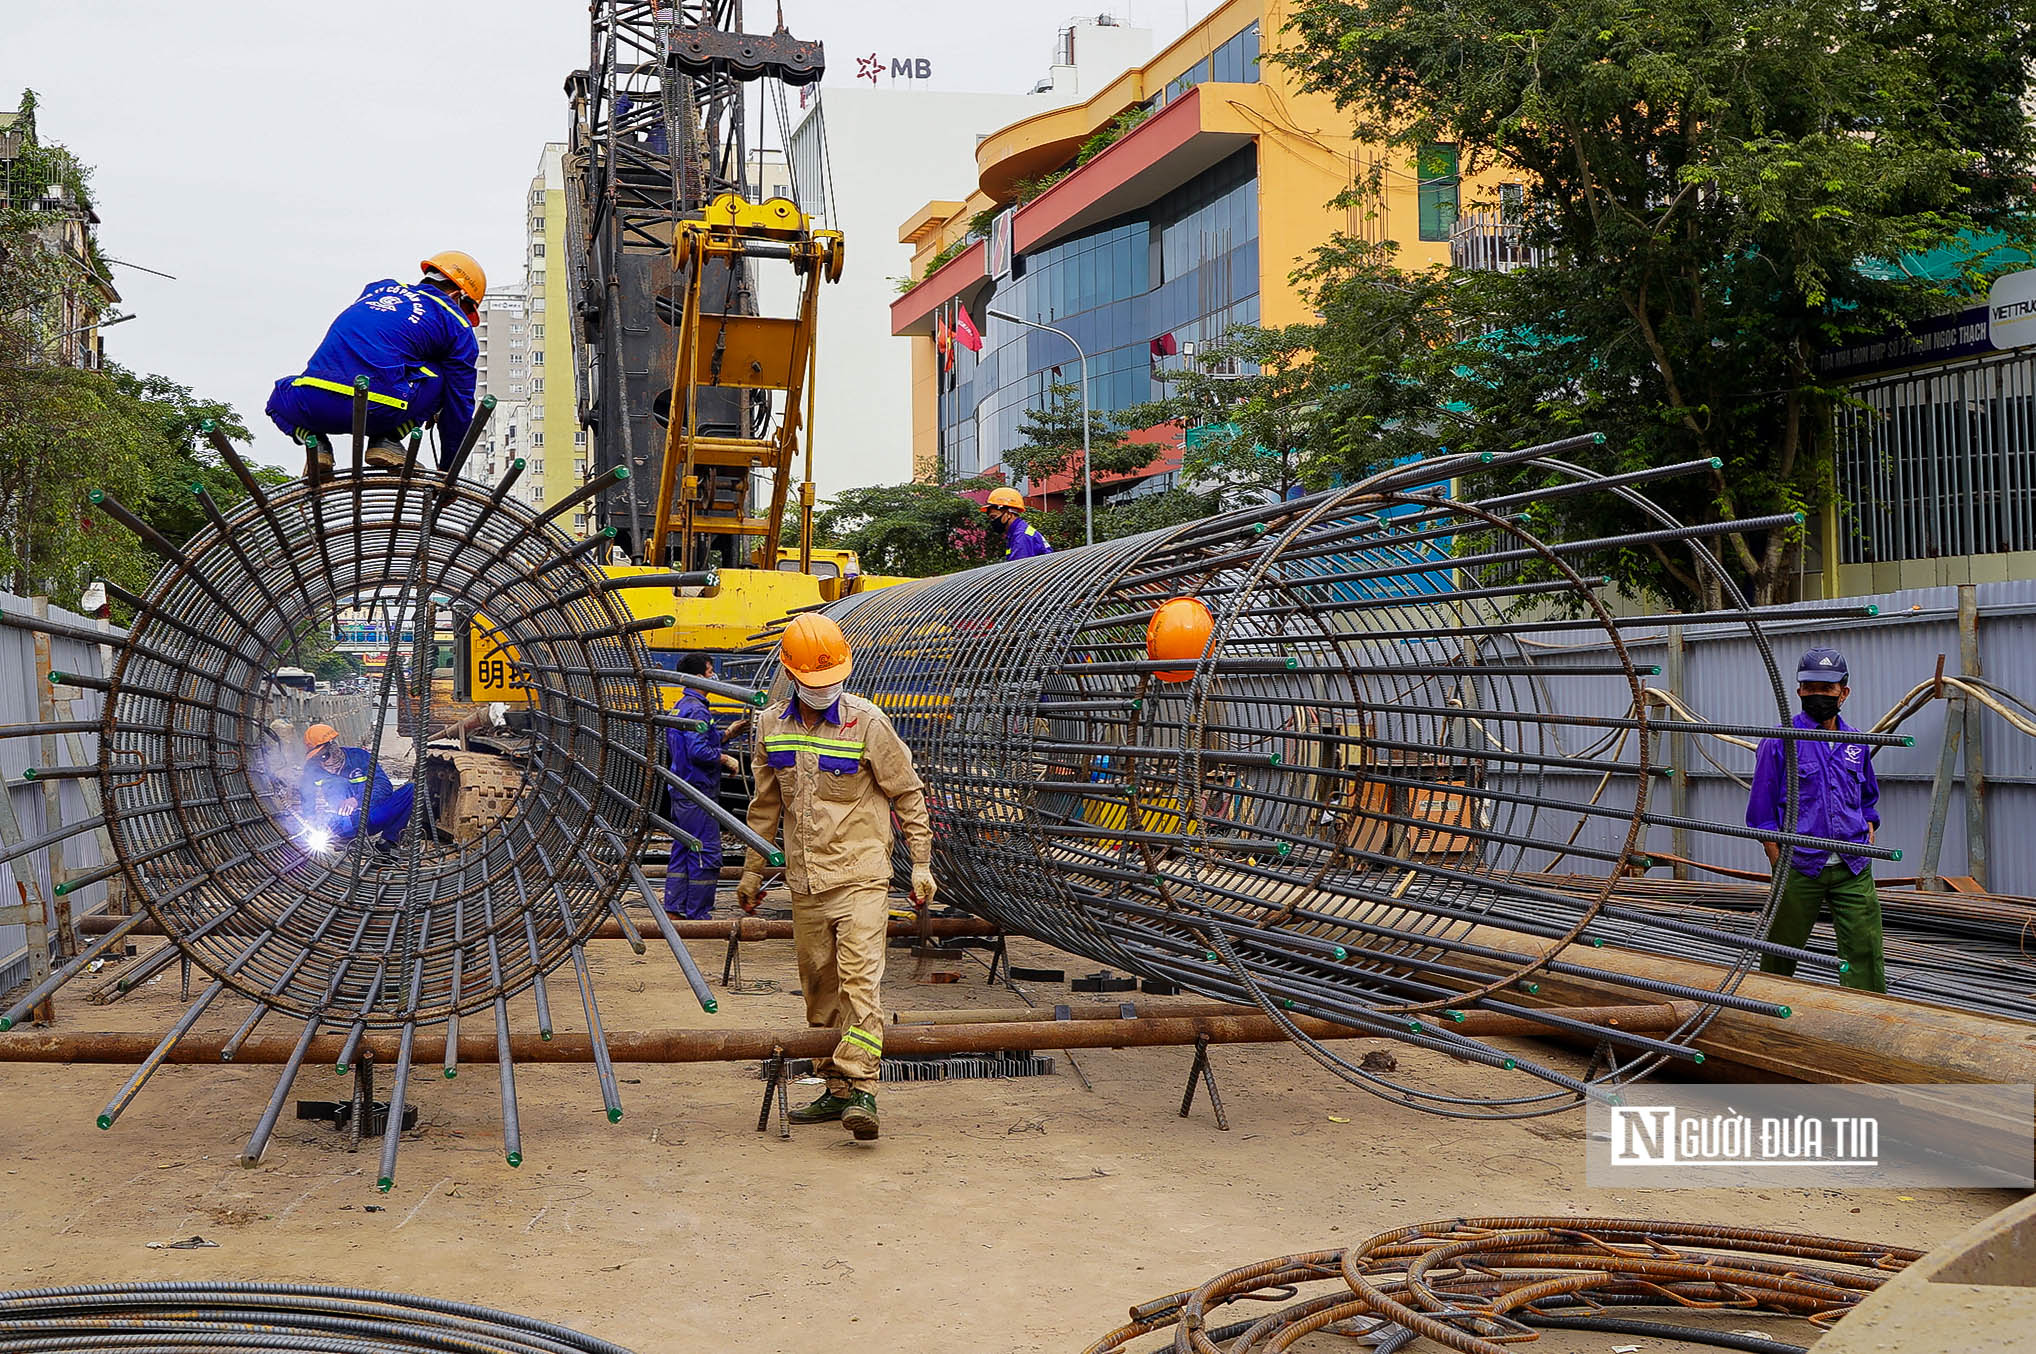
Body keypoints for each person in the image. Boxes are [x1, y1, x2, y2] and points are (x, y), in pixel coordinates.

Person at [737, 613, 936, 1141]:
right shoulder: (770, 726)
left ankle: (863, 1086)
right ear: (790, 673)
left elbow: (907, 793)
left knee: (860, 983)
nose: (826, 690)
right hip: (806, 883)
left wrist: (920, 861)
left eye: (834, 681)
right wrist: (754, 872)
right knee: (821, 994)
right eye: (815, 682)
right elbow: (765, 806)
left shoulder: (868, 723)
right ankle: (836, 1090)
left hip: (862, 876)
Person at [265, 252, 486, 474]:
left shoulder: (378, 289)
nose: (465, 318)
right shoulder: (457, 323)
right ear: (458, 295)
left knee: (278, 397)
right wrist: (447, 470)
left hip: (313, 403)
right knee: (444, 376)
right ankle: (386, 440)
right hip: (378, 409)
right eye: (467, 311)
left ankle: (316, 444)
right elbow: (459, 405)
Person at [1744, 647, 1886, 993]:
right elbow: (1761, 812)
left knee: (1865, 947)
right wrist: (1778, 861)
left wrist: (1868, 824)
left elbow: (1867, 796)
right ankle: (1769, 1008)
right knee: (1780, 947)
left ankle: (1867, 1015)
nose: (1818, 695)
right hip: (1801, 864)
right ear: (1799, 692)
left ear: (1843, 692)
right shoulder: (1780, 741)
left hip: (1852, 864)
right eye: (1810, 688)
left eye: (1827, 688)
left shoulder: (1855, 742)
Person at [664, 652, 740, 919]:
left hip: (682, 787)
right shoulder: (697, 709)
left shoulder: (682, 706)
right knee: (706, 851)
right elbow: (698, 752)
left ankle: (674, 908)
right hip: (698, 791)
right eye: (710, 672)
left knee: (684, 846)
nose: (713, 677)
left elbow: (694, 743)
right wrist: (725, 758)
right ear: (698, 677)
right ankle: (698, 914)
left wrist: (727, 735)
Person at [299, 723, 415, 848]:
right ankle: (347, 837)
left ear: (333, 747)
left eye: (323, 756)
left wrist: (357, 801)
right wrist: (311, 822)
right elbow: (307, 796)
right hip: (340, 823)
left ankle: (388, 841)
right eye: (316, 759)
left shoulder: (360, 757)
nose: (321, 762)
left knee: (412, 789)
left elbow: (384, 786)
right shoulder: (312, 768)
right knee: (338, 782)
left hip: (372, 816)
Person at [980, 486, 1053, 561]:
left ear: (1009, 514)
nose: (992, 521)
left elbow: (1019, 570)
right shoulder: (1017, 532)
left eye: (994, 517)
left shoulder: (1021, 537)